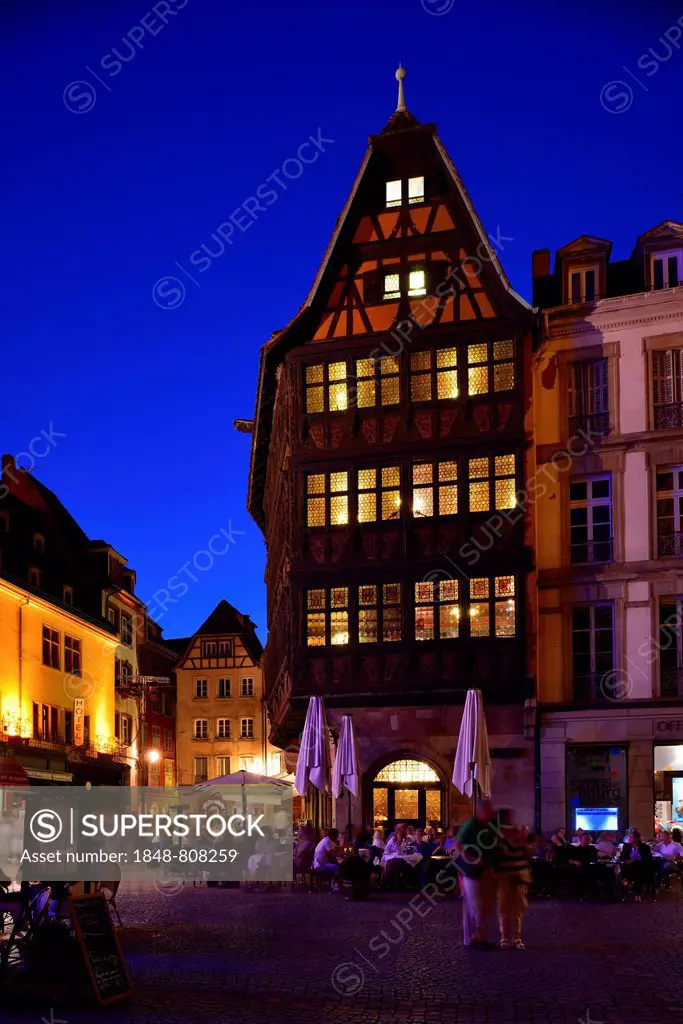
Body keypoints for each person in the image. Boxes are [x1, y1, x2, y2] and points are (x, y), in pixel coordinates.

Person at [455, 800, 500, 949]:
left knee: (486, 905)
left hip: (485, 868)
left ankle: (479, 937)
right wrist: (472, 859)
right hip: (471, 871)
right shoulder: (471, 825)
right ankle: (473, 937)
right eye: (489, 811)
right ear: (481, 812)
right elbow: (458, 846)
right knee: (475, 905)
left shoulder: (490, 826)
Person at [494, 809, 531, 949]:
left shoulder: (521, 843)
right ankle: (504, 936)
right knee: (504, 907)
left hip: (519, 877)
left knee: (518, 908)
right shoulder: (499, 840)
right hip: (504, 877)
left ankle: (516, 936)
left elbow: (527, 857)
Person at [619, 829, 654, 902]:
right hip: (628, 868)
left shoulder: (644, 847)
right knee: (634, 870)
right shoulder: (626, 846)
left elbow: (648, 859)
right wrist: (628, 861)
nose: (629, 839)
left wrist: (636, 859)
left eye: (631, 837)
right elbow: (622, 857)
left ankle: (637, 894)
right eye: (629, 837)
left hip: (641, 868)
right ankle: (635, 893)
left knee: (639, 869)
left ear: (637, 838)